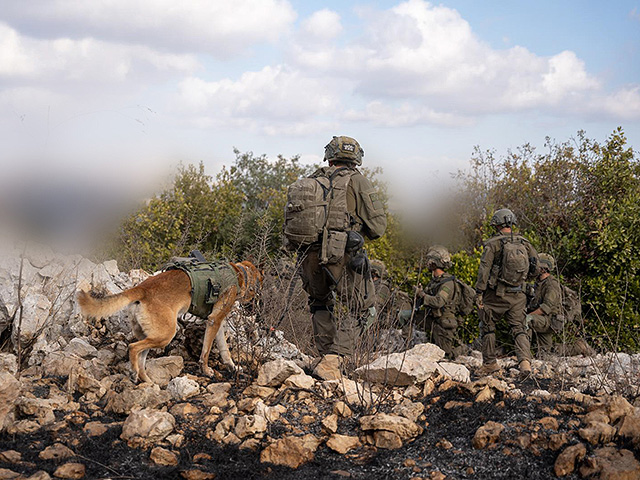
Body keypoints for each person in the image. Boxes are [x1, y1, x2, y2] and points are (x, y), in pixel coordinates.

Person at [294, 136, 387, 377]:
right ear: (356, 157)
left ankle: (325, 358)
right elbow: (378, 227)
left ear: (330, 155)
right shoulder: (358, 181)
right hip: (341, 253)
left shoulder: (314, 180)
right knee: (363, 308)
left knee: (320, 303)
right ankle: (333, 361)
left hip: (309, 254)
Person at [474, 208, 538, 375]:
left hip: (496, 295)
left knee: (487, 326)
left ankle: (490, 364)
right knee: (519, 328)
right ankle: (525, 363)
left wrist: (479, 292)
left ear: (497, 224)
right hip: (518, 295)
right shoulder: (524, 242)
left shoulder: (492, 244)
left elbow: (484, 270)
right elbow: (536, 267)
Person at [398, 246, 458, 358]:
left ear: (434, 263)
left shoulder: (447, 283)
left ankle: (459, 350)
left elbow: (439, 302)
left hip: (443, 322)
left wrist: (422, 294)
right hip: (432, 319)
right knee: (407, 316)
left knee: (446, 354)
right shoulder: (435, 281)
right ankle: (406, 347)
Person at [526, 253, 562, 357]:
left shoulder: (551, 284)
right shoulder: (539, 283)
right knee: (545, 355)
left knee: (525, 322)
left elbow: (545, 308)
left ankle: (524, 355)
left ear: (543, 269)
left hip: (550, 320)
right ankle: (578, 347)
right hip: (543, 319)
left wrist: (528, 316)